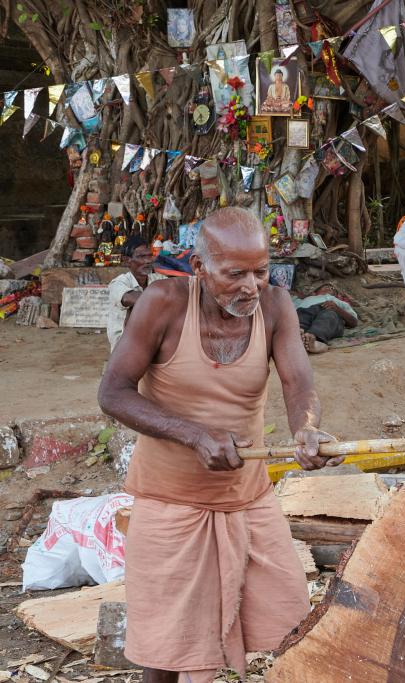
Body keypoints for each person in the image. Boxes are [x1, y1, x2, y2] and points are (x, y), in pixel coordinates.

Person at [97, 208, 337, 683]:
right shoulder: (162, 301)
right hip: (170, 502)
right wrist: (193, 435)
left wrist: (306, 429)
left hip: (247, 499)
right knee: (168, 651)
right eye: (236, 274)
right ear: (200, 268)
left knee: (291, 619)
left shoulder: (275, 305)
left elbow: (298, 383)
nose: (251, 286)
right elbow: (113, 393)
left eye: (261, 271)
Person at [106, 235, 166, 350]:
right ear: (127, 260)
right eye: (142, 257)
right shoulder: (119, 283)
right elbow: (129, 298)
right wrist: (164, 298)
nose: (148, 261)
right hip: (124, 347)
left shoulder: (158, 279)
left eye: (150, 256)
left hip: (150, 340)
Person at [293, 282, 359, 353]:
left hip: (329, 319)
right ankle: (298, 333)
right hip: (304, 315)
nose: (331, 288)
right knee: (303, 312)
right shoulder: (301, 300)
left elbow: (354, 322)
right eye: (326, 286)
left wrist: (337, 309)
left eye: (333, 289)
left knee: (329, 314)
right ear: (314, 293)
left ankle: (314, 339)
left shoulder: (337, 301)